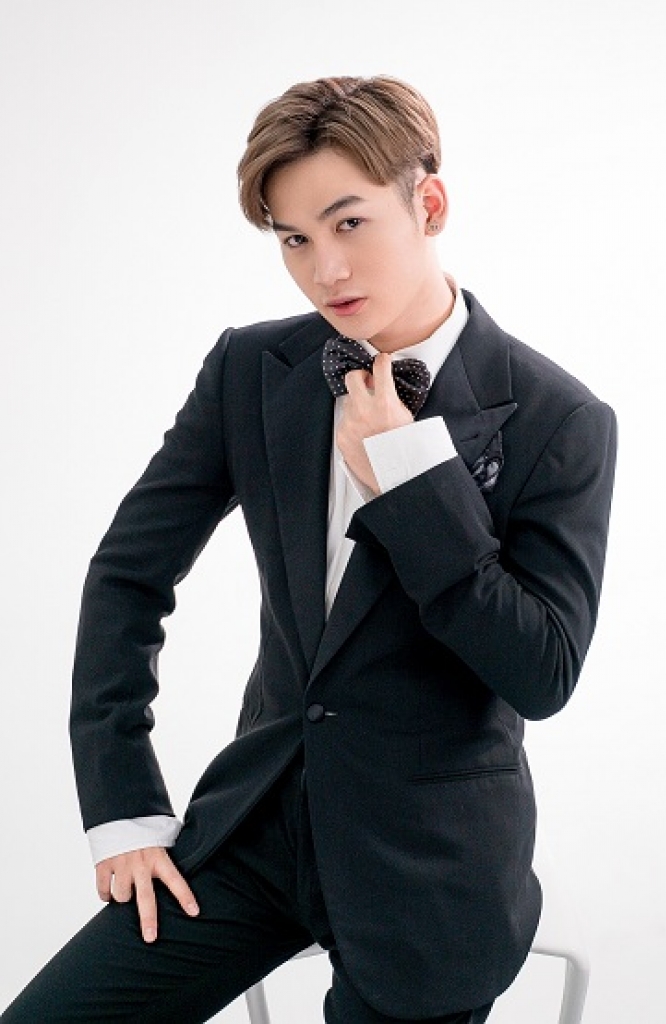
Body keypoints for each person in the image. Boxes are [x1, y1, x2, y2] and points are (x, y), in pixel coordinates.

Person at [3, 75, 617, 1024]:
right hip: (252, 831)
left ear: (429, 204)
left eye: (349, 223)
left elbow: (541, 672)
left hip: (430, 868)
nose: (324, 270)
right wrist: (122, 808)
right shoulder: (253, 369)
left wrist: (410, 478)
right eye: (293, 240)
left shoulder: (559, 417)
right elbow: (128, 574)